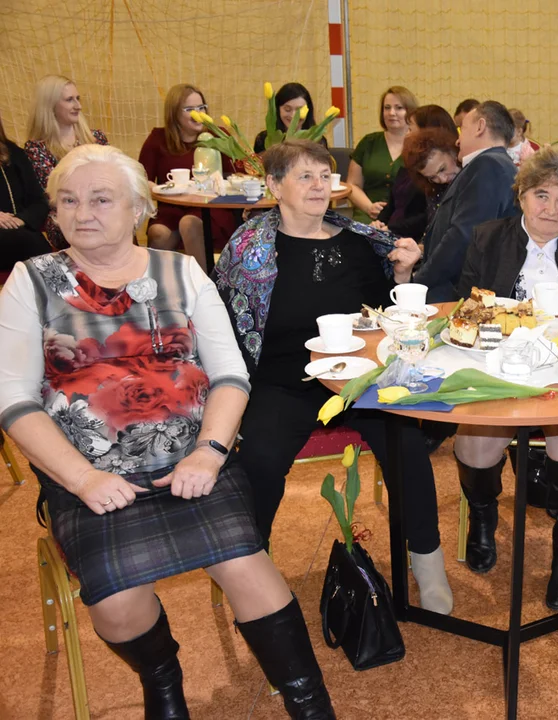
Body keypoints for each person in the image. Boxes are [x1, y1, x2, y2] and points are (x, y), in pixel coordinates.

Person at [0, 144, 335, 718]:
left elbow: (230, 375)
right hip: (90, 474)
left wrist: (209, 452)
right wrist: (82, 479)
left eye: (101, 199)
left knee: (250, 572)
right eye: (68, 201)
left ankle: (309, 702)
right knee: (118, 604)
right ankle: (162, 677)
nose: (82, 213)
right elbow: (13, 400)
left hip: (194, 458)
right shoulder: (31, 283)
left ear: (138, 209)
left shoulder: (181, 271)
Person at [215, 140, 453, 615]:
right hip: (284, 381)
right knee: (260, 458)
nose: (318, 185)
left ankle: (427, 561)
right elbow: (225, 327)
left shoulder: (358, 241)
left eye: (325, 176)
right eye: (304, 176)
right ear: (274, 185)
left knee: (406, 446)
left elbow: (384, 315)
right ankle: (249, 567)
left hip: (358, 378)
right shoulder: (248, 250)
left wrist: (403, 276)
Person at [452, 148, 558, 610]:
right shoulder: (488, 238)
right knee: (474, 443)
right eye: (541, 195)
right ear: (521, 196)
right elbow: (469, 308)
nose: (551, 209)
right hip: (498, 365)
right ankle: (483, 518)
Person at [392, 100, 518, 302]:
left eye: (462, 129)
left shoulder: (488, 165)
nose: (457, 141)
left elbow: (463, 236)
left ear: (480, 127)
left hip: (459, 294)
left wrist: (419, 282)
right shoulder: (493, 164)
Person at [138, 83, 237, 271]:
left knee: (189, 223)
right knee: (158, 233)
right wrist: (156, 189)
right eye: (190, 109)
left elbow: (233, 175)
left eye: (201, 108)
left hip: (210, 208)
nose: (197, 114)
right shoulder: (158, 139)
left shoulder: (217, 136)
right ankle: (163, 284)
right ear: (174, 113)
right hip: (172, 207)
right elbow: (142, 178)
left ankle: (203, 284)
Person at [23, 75, 109, 250]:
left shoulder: (96, 138)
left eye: (78, 98)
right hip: (65, 212)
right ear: (51, 105)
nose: (78, 106)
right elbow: (54, 191)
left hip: (101, 204)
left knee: (121, 217)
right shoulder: (36, 148)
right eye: (70, 100)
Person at [373, 104, 458, 239]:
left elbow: (425, 219)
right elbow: (393, 202)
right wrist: (380, 222)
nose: (407, 134)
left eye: (411, 129)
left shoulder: (447, 180)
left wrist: (390, 229)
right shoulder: (413, 165)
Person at [347, 86, 417, 224]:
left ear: (410, 111)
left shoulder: (421, 147)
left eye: (399, 108)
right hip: (366, 217)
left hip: (406, 220)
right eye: (387, 108)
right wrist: (369, 208)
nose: (391, 113)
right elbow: (353, 184)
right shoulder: (368, 142)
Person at [0, 110, 51, 271]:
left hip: (21, 231)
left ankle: (62, 286)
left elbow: (39, 202)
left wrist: (22, 219)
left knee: (33, 243)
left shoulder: (14, 154)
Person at [253, 82, 327, 154]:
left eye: (299, 111)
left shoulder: (318, 140)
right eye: (287, 109)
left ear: (308, 110)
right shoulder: (264, 139)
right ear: (277, 109)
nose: (293, 115)